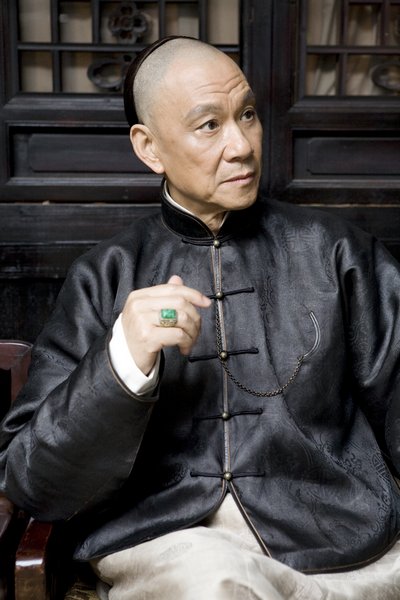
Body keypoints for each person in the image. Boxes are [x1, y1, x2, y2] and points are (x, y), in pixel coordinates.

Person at [1, 36, 400, 600]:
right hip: (172, 544)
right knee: (214, 581)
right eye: (210, 125)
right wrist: (123, 361)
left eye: (247, 115)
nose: (242, 145)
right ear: (149, 148)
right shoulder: (106, 275)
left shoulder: (338, 253)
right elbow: (33, 482)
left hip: (338, 539)